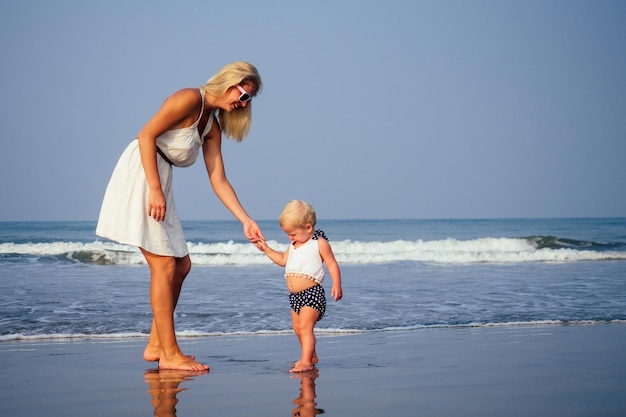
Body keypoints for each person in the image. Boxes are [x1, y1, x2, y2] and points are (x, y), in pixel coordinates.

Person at [96, 61, 265, 371]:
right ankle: (170, 354)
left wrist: (245, 219)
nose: (242, 103)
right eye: (243, 94)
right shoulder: (189, 98)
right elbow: (146, 136)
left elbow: (219, 179)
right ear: (230, 82)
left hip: (160, 178)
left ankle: (156, 343)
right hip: (143, 174)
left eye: (248, 100)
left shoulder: (211, 126)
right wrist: (154, 189)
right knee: (162, 264)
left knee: (182, 265)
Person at [258, 200, 342, 372]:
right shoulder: (293, 245)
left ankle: (305, 361)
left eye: (293, 234)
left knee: (305, 327)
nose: (290, 237)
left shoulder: (319, 243)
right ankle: (310, 355)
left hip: (313, 293)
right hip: (295, 297)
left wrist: (337, 284)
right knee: (297, 328)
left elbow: (331, 263)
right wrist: (266, 249)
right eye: (288, 234)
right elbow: (282, 260)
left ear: (308, 227)